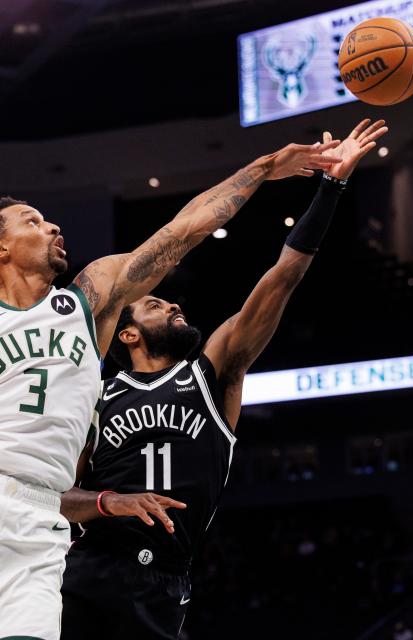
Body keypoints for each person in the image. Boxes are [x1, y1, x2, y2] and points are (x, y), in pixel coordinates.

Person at [0, 137, 343, 640]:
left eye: (49, 220)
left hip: (41, 521)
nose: (51, 227)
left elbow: (182, 232)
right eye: (32, 221)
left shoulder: (89, 302)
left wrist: (267, 168)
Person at [59, 119, 387, 640]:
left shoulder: (214, 373)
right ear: (126, 336)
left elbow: (282, 276)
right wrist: (107, 503)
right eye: (154, 304)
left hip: (162, 580)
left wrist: (331, 188)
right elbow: (58, 496)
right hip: (84, 571)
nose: (173, 303)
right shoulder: (95, 396)